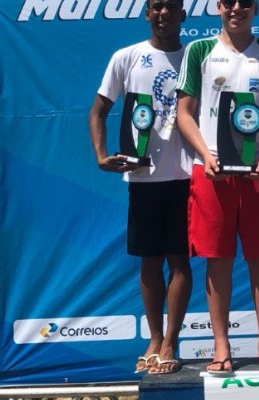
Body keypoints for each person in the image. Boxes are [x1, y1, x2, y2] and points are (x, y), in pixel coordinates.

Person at [175, 0, 259, 376]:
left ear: (256, 8)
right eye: (228, 1)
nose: (236, 8)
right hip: (212, 171)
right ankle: (221, 345)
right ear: (218, 6)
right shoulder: (199, 50)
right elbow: (184, 113)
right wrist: (204, 154)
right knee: (217, 259)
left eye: (245, 2)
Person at [87, 0, 192, 375]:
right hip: (143, 176)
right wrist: (101, 155)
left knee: (179, 261)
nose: (163, 13)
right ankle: (154, 337)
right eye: (156, 7)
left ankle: (170, 341)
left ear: (183, 15)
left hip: (186, 176)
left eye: (171, 7)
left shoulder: (197, 57)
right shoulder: (127, 57)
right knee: (150, 261)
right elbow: (97, 111)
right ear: (147, 13)